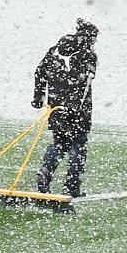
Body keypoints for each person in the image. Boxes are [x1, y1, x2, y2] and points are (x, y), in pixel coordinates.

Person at [31, 19, 98, 202]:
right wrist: (74, 106)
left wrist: (38, 97)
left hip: (55, 107)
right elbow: (85, 83)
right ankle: (72, 187)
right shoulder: (88, 55)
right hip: (78, 111)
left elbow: (39, 72)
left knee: (60, 143)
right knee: (79, 146)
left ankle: (46, 170)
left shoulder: (54, 50)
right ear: (89, 37)